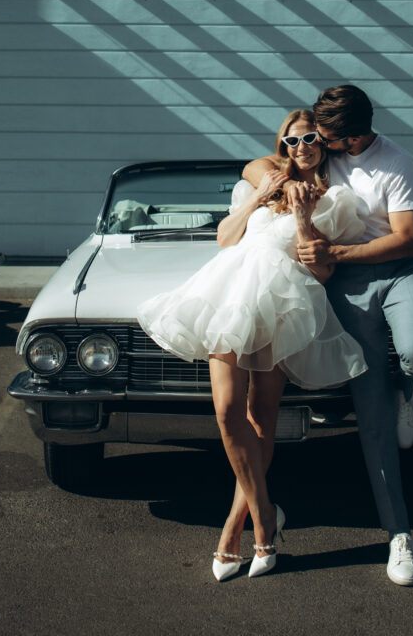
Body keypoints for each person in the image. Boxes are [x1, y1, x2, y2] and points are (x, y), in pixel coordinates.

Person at [137, 109, 368, 581]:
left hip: (280, 303)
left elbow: (322, 269)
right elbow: (226, 239)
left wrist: (304, 216)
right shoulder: (260, 184)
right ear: (281, 146)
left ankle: (233, 530)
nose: (300, 147)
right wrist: (259, 196)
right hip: (228, 295)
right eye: (291, 140)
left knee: (262, 419)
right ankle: (265, 516)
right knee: (226, 411)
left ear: (322, 144)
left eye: (308, 139)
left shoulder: (337, 197)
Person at [243, 85, 413, 586]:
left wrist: (335, 254)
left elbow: (408, 237)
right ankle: (400, 535)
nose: (317, 145)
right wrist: (271, 179)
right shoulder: (321, 153)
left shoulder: (398, 162)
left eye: (327, 138)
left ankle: (408, 392)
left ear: (353, 136)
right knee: (371, 415)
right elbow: (261, 162)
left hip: (400, 271)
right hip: (348, 288)